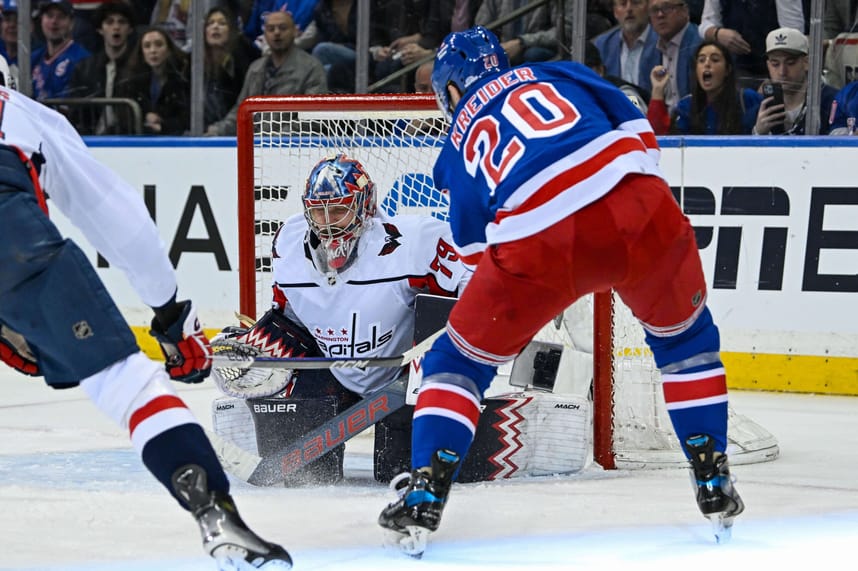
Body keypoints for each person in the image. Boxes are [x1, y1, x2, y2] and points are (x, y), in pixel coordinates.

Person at [378, 26, 744, 556]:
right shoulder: (560, 71)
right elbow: (640, 133)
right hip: (639, 206)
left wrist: (525, 303)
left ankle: (426, 490)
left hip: (540, 242)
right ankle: (712, 476)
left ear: (451, 91)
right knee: (686, 344)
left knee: (456, 364)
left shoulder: (456, 144)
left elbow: (475, 247)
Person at [0, 54, 293, 570]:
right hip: (12, 239)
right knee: (126, 382)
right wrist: (171, 315)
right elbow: (118, 219)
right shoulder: (25, 113)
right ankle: (214, 511)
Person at [213, 153, 470, 483]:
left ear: (364, 207)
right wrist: (264, 346)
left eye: (338, 209)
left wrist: (439, 360)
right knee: (304, 479)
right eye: (318, 211)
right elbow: (291, 317)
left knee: (401, 473)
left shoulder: (414, 242)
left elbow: (468, 290)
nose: (328, 222)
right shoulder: (289, 244)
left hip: (406, 375)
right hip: (333, 373)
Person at [206, 10, 327, 136]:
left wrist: (277, 137)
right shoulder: (255, 69)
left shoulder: (311, 67)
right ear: (264, 34)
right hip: (256, 145)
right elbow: (240, 111)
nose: (276, 33)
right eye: (271, 29)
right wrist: (218, 130)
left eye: (283, 28)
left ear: (295, 32)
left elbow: (313, 118)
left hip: (293, 148)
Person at [648, 39, 762, 134]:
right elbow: (659, 138)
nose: (707, 64)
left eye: (715, 59)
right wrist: (658, 90)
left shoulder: (748, 99)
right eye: (701, 60)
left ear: (727, 70)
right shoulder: (685, 107)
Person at [697, 0, 804, 88]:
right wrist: (717, 33)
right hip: (735, 68)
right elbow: (705, 24)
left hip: (773, 68)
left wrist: (775, 76)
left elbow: (793, 33)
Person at [67, 1, 136, 134]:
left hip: (128, 139)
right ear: (100, 29)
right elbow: (77, 111)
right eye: (109, 22)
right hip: (91, 138)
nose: (116, 27)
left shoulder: (139, 67)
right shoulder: (85, 68)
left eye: (122, 22)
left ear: (130, 29)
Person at [754, 27, 838, 135]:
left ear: (806, 63)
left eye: (790, 63)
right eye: (775, 64)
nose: (782, 72)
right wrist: (758, 133)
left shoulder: (831, 101)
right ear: (768, 66)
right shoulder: (762, 108)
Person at [113, 26, 189, 134]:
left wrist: (163, 125)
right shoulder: (130, 81)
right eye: (147, 46)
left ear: (168, 50)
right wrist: (144, 117)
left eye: (159, 45)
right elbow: (123, 116)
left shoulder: (181, 79)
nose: (153, 50)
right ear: (142, 52)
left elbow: (186, 118)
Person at [203, 5, 257, 131]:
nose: (215, 27)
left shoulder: (244, 60)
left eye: (222, 23)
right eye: (210, 23)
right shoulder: (194, 63)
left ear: (232, 30)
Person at [31, 0, 91, 101]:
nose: (54, 21)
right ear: (41, 19)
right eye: (49, 16)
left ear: (72, 22)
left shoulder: (83, 59)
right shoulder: (33, 58)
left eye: (61, 17)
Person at [593, 0, 660, 89]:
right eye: (623, 4)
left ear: (648, 8)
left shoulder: (661, 40)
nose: (629, 9)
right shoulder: (603, 44)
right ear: (615, 12)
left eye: (636, 3)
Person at [647, 0, 700, 110]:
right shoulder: (649, 51)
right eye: (654, 10)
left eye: (667, 8)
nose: (660, 15)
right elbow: (644, 95)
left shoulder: (700, 45)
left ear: (685, 10)